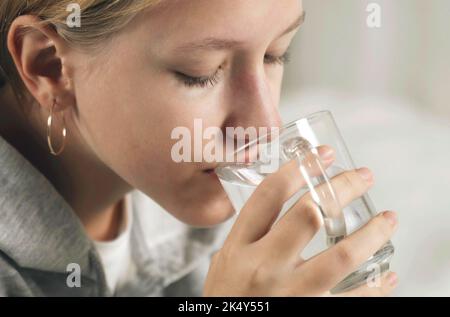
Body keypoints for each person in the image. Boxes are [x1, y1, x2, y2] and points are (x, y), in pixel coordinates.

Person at [0, 0, 398, 296]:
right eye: (200, 74)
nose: (264, 126)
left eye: (277, 54)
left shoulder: (199, 201)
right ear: (48, 66)